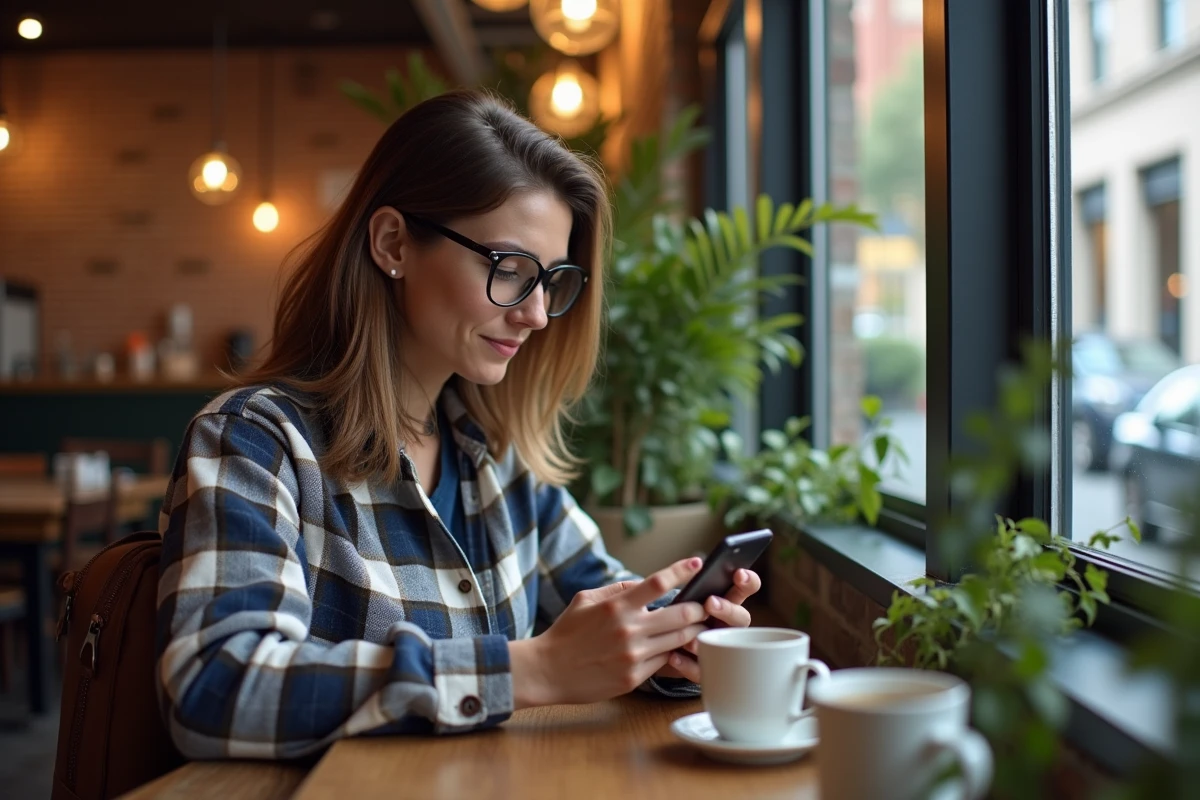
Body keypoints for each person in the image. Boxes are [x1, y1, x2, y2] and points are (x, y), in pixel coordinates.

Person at [155, 90, 762, 760]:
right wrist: (528, 670)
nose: (535, 315)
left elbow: (604, 617)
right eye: (510, 269)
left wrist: (675, 641)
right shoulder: (257, 442)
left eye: (552, 280)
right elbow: (213, 687)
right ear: (393, 244)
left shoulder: (499, 462)